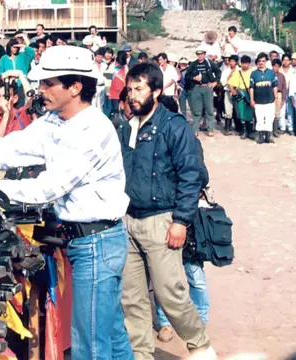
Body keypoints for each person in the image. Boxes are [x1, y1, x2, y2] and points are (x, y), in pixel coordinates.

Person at [0, 45, 134, 360]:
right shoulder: (56, 120)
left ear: (75, 86)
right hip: (86, 239)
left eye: (48, 83)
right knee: (110, 334)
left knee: (90, 346)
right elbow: (14, 146)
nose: (40, 89)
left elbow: (48, 187)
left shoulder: (93, 130)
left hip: (98, 242)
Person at [118, 62, 215, 360]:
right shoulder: (124, 126)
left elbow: (191, 175)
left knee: (169, 292)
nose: (133, 95)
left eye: (140, 89)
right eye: (130, 89)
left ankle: (200, 346)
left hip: (162, 220)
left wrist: (181, 221)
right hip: (127, 220)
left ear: (157, 91)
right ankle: (141, 354)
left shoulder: (174, 126)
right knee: (132, 298)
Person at [186, 45, 221, 136]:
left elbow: (218, 72)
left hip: (207, 87)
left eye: (201, 54)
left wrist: (215, 82)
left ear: (205, 54)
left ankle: (210, 129)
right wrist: (194, 78)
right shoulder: (193, 64)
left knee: (209, 109)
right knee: (196, 110)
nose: (200, 56)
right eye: (198, 54)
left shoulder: (209, 63)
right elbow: (187, 76)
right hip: (197, 87)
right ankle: (195, 129)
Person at [249, 52, 278, 144]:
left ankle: (268, 137)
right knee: (260, 118)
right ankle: (261, 137)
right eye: (260, 61)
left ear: (266, 61)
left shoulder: (271, 73)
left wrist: (276, 97)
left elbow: (275, 86)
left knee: (269, 118)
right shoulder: (254, 74)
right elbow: (251, 88)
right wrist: (252, 99)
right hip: (258, 101)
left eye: (263, 61)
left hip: (269, 100)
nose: (261, 62)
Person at [228, 55, 254, 139]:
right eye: (243, 63)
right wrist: (235, 93)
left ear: (249, 64)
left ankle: (250, 132)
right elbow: (231, 84)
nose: (245, 65)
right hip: (241, 94)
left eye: (246, 63)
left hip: (250, 93)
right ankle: (244, 131)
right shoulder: (237, 73)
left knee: (250, 113)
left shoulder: (252, 72)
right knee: (242, 113)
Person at [220, 54, 238, 134]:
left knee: (238, 110)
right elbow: (223, 82)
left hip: (238, 92)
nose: (231, 63)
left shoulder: (239, 70)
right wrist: (229, 75)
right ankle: (227, 128)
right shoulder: (225, 71)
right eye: (230, 61)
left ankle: (239, 128)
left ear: (236, 62)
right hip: (228, 91)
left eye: (233, 61)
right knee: (228, 110)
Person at [108, 51, 128, 118]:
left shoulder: (125, 68)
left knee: (123, 111)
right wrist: (107, 91)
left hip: (123, 93)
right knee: (115, 111)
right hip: (113, 94)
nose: (120, 65)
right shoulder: (111, 67)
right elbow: (107, 80)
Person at [272, 58, 287, 137]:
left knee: (277, 113)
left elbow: (284, 88)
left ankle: (275, 130)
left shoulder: (281, 76)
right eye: (274, 66)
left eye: (278, 66)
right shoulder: (269, 74)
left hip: (279, 94)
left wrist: (283, 99)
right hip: (270, 95)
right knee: (270, 113)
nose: (276, 68)